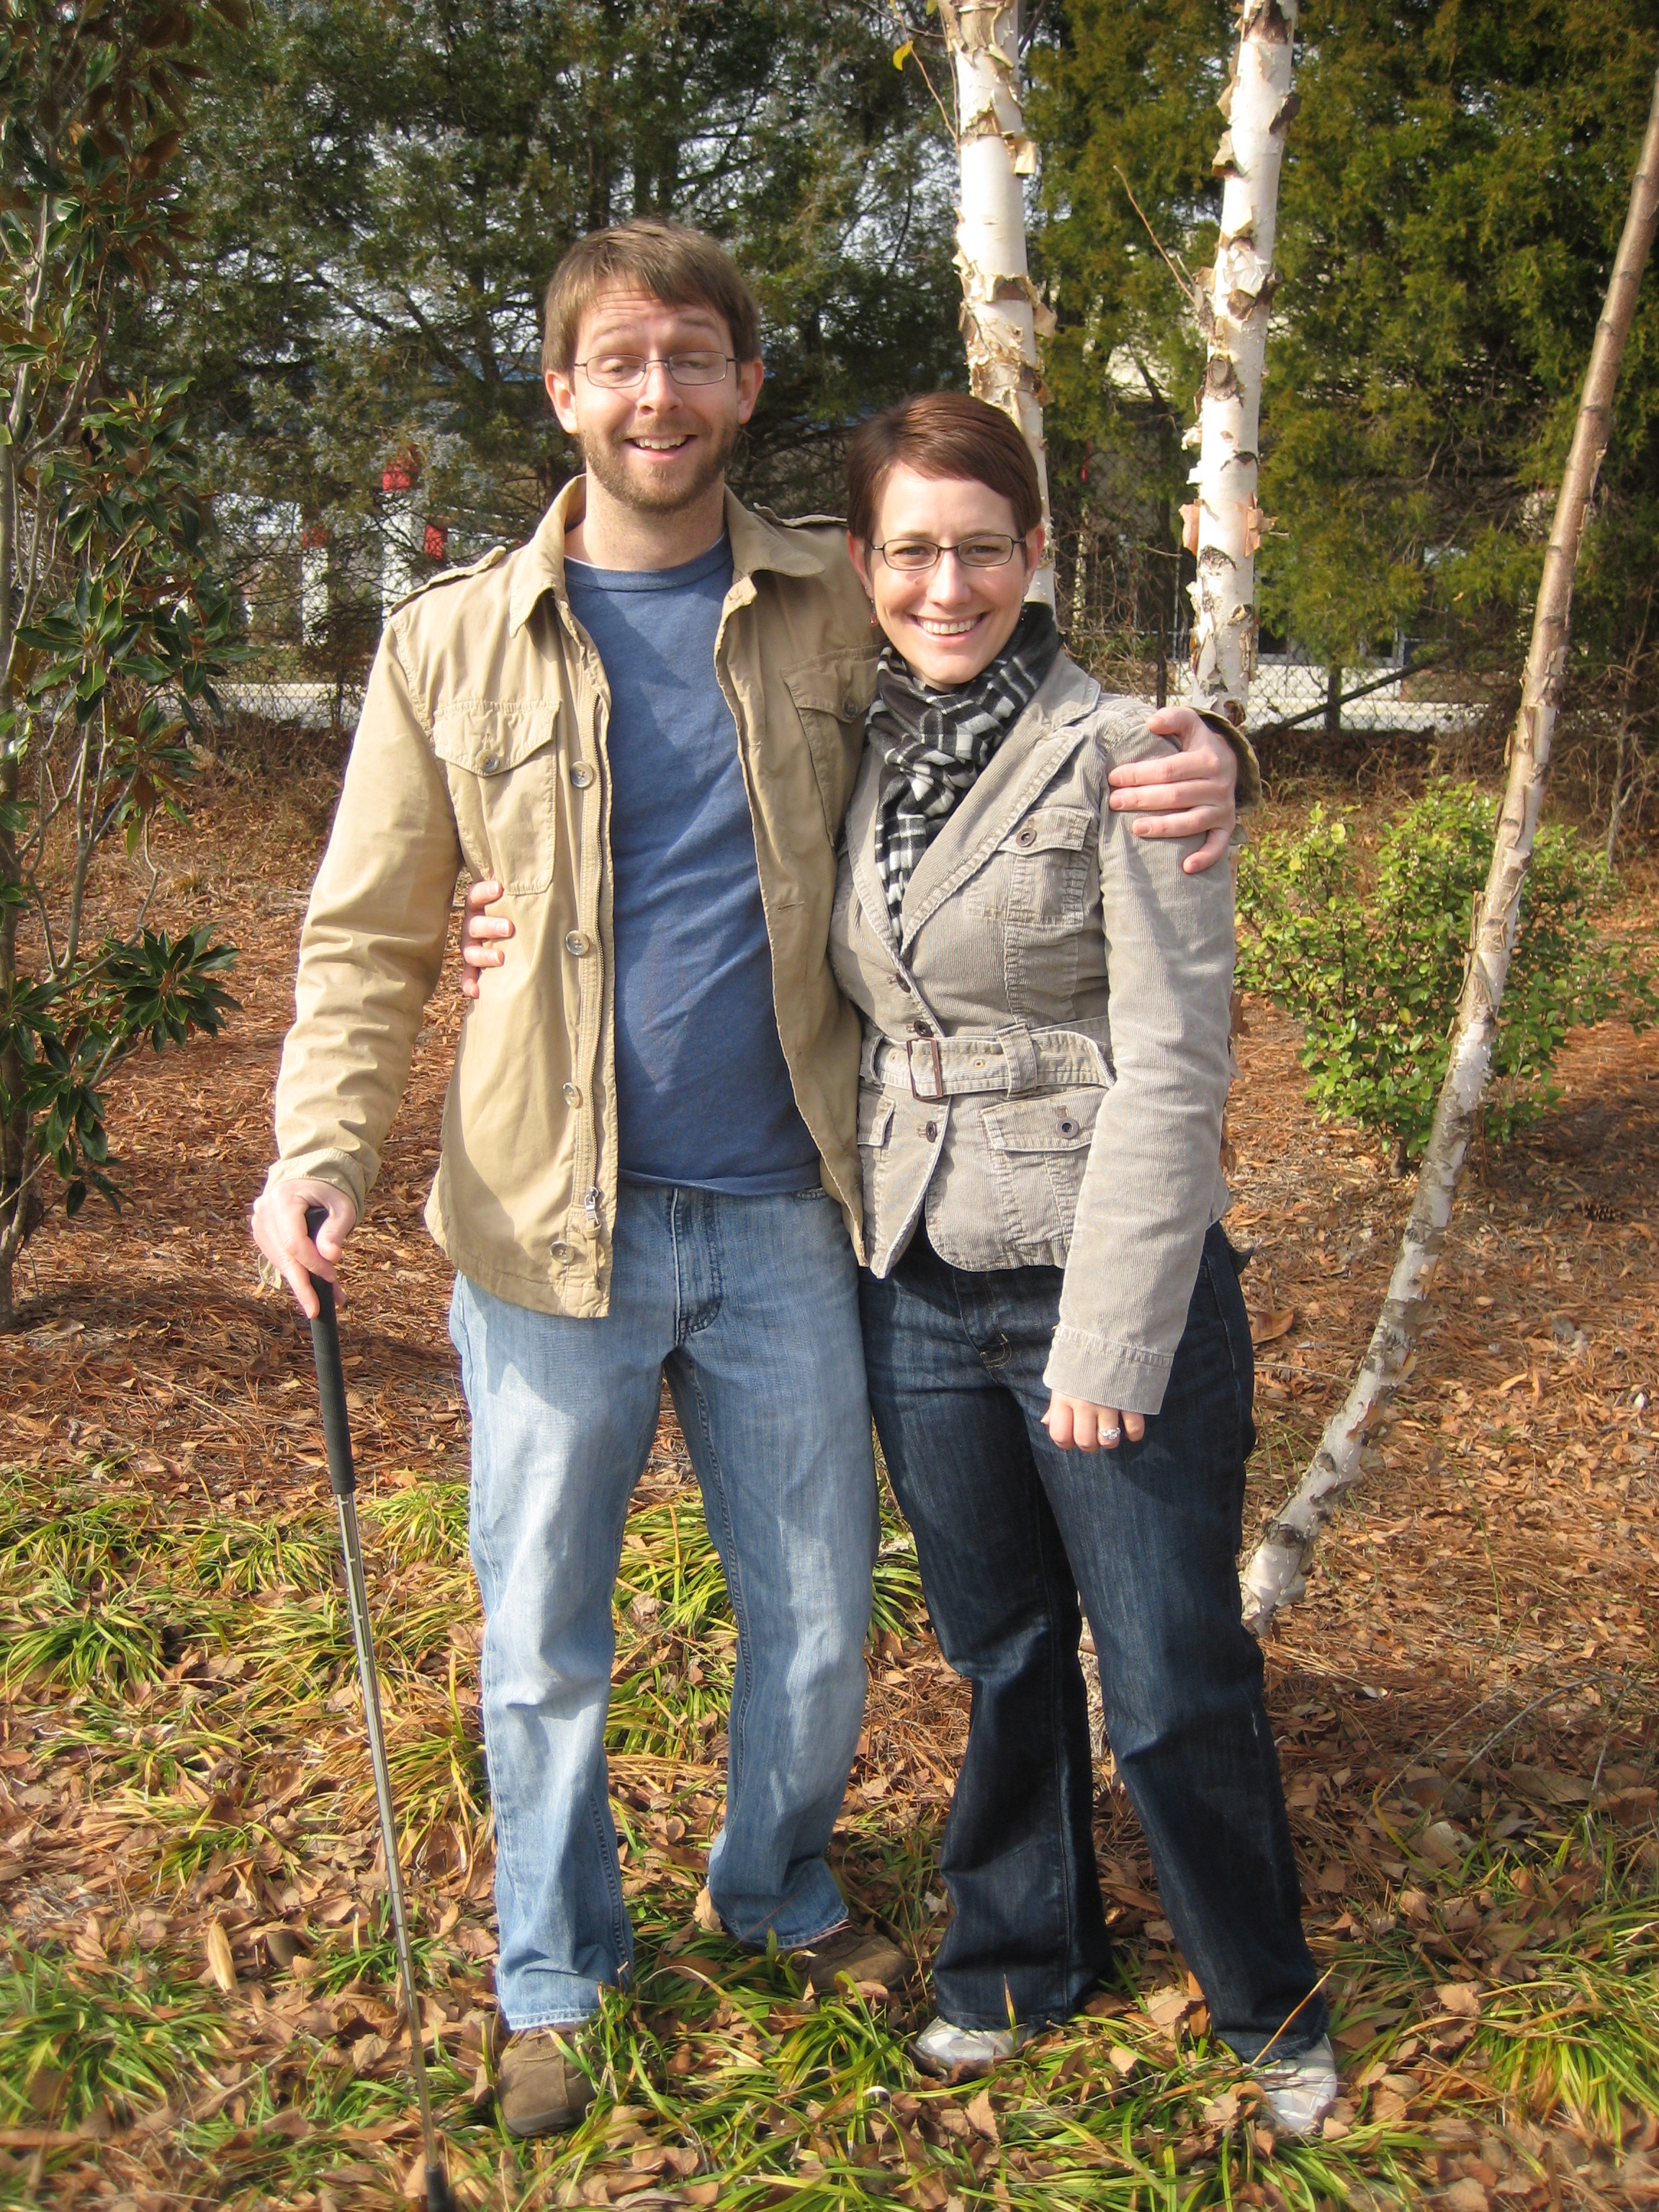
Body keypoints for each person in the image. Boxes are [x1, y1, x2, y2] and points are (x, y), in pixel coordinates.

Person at [252, 219, 1245, 2142]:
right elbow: (367, 935)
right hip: (545, 1228)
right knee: (545, 1636)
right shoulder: (446, 641)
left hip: (797, 1211)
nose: (659, 395)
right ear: (563, 391)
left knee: (816, 1621)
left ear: (746, 383)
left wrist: (1215, 757)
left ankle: (774, 1885)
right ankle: (554, 1970)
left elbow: (1026, 715)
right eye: (619, 362)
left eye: (693, 357)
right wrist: (318, 1146)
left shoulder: (827, 602)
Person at [828, 392, 1335, 2130]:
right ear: (862, 564)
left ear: (1036, 554)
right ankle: (1017, 1960)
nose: (946, 584)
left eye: (981, 547)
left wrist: (1114, 1338)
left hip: (1097, 1280)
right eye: (911, 550)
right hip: (914, 1276)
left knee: (1171, 1673)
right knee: (1003, 1650)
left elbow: (1178, 1063)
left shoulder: (1131, 750)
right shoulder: (853, 750)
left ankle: (1268, 2002)